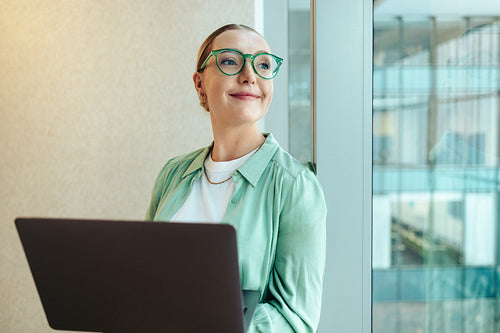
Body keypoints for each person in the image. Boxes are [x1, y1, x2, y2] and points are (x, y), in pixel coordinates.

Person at [145, 23, 326, 333]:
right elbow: (142, 277)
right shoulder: (172, 174)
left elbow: (295, 319)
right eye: (230, 60)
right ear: (199, 83)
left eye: (263, 64)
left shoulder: (294, 186)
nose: (250, 75)